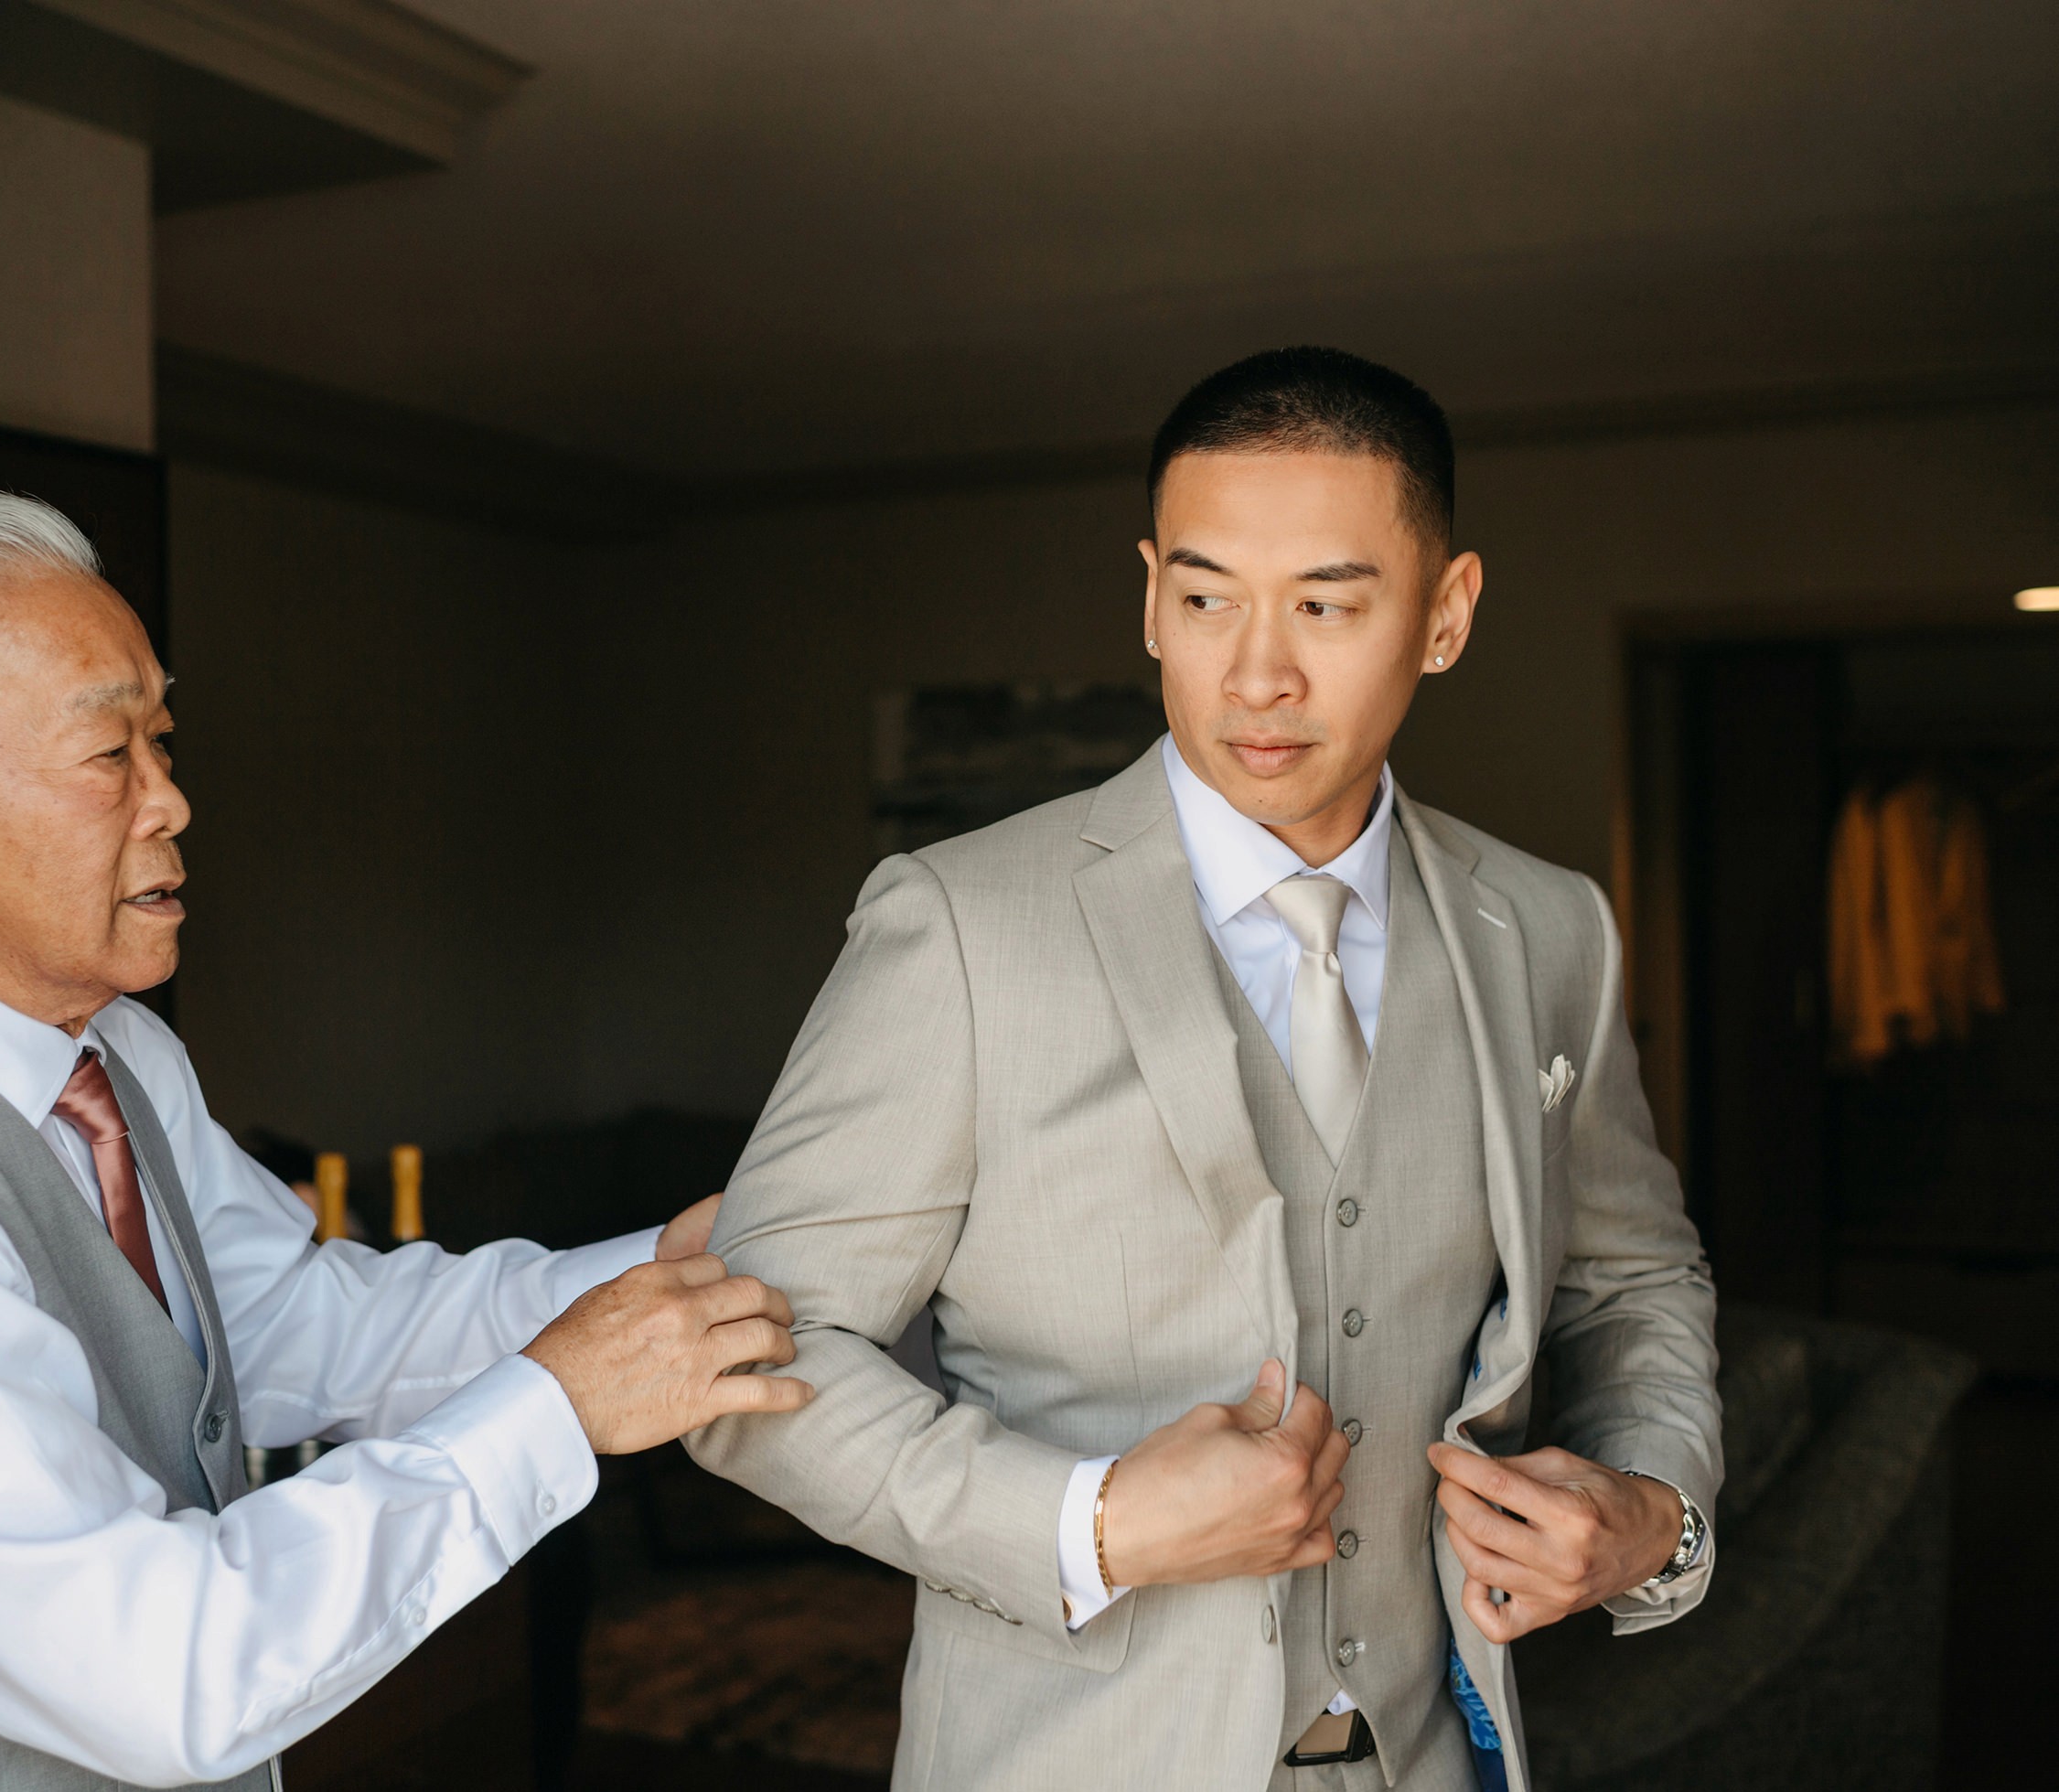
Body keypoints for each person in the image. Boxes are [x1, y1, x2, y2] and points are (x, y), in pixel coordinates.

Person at [0, 493, 813, 1789]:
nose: (172, 802)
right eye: (107, 755)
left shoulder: (115, 1054)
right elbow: (162, 1672)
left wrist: (654, 1278)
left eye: (162, 743)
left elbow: (292, 1323)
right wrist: (557, 1407)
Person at [686, 348, 1721, 1791]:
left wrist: (1652, 1508)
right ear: (1151, 599)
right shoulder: (962, 922)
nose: (1257, 669)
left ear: (1445, 614)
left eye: (1327, 604)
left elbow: (1633, 1278)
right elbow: (749, 1362)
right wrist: (1089, 1525)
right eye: (1205, 595)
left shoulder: (1550, 931)